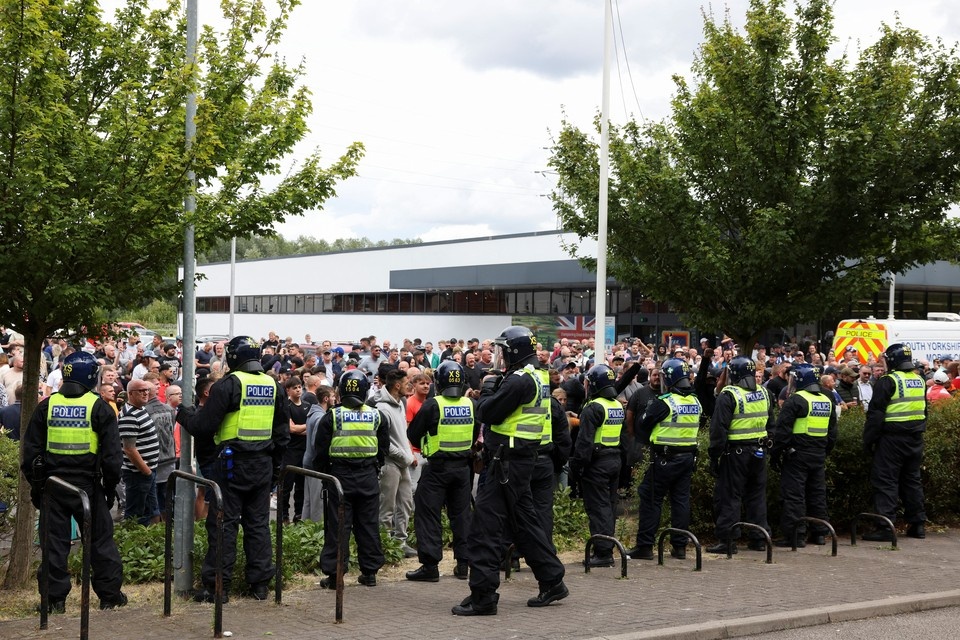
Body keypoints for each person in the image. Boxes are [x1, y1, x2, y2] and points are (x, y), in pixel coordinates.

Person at [452, 326, 567, 616]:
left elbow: (487, 413)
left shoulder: (517, 381)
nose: (500, 355)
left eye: (503, 350)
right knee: (524, 524)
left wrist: (485, 396)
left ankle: (483, 596)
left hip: (506, 462)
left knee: (485, 530)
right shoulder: (536, 375)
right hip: (519, 461)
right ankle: (552, 580)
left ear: (514, 351)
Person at [179, 336, 290, 602]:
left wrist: (183, 414)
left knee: (223, 525)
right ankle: (260, 586)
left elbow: (204, 427)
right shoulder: (274, 385)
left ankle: (218, 588)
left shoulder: (228, 385)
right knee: (258, 525)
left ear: (232, 357)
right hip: (263, 464)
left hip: (230, 465)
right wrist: (274, 470)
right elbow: (282, 434)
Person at [21, 352, 127, 612]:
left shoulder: (47, 405)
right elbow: (113, 457)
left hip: (54, 485)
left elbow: (30, 452)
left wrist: (36, 486)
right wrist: (111, 487)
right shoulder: (99, 407)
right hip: (88, 486)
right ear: (92, 377)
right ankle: (109, 597)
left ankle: (53, 600)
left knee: (53, 544)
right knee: (100, 542)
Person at [311, 370, 389, 588]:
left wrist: (326, 475)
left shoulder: (333, 416)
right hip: (368, 476)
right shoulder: (376, 415)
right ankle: (370, 572)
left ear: (341, 390)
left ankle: (336, 576)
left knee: (338, 527)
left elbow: (321, 451)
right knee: (368, 524)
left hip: (339, 476)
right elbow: (383, 448)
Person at [405, 360, 480, 582]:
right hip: (463, 469)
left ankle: (430, 566)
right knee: (462, 516)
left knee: (428, 514)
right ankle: (463, 564)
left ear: (439, 381)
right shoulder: (471, 404)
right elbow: (475, 434)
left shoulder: (432, 404)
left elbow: (413, 435)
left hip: (437, 468)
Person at [627, 358, 701, 561]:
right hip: (687, 458)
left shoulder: (665, 402)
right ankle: (679, 547)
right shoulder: (695, 401)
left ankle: (644, 546)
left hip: (664, 459)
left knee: (650, 498)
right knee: (681, 501)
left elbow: (642, 426)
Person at [706, 357, 775, 554]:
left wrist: (714, 456)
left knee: (729, 495)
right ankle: (759, 539)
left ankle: (728, 541)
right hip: (759, 452)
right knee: (756, 496)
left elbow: (718, 430)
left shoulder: (728, 395)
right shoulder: (764, 392)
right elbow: (772, 424)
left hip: (736, 454)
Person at [862, 344, 928, 541]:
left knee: (886, 481)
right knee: (912, 481)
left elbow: (875, 416)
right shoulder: (919, 380)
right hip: (915, 438)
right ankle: (918, 525)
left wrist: (868, 441)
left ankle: (885, 527)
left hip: (892, 439)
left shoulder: (888, 381)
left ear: (891, 361)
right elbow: (925, 412)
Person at [769, 364, 838, 547]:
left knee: (794, 496)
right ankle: (820, 534)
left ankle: (795, 536)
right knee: (817, 494)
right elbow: (832, 433)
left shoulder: (796, 400)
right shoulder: (827, 398)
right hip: (818, 454)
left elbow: (782, 432)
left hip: (797, 455)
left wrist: (775, 455)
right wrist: (824, 451)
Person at [569, 364, 624, 568]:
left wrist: (576, 467)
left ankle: (602, 552)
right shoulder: (617, 405)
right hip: (614, 459)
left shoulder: (593, 407)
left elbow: (584, 443)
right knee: (608, 506)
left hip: (596, 463)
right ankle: (606, 546)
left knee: (598, 507)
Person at [374, 368, 417, 557]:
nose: (410, 385)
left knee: (405, 503)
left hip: (403, 463)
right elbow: (384, 443)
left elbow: (401, 434)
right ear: (397, 385)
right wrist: (405, 456)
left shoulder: (401, 403)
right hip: (390, 464)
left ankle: (400, 542)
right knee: (387, 507)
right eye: (408, 382)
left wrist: (407, 454)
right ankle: (384, 545)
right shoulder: (381, 408)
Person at [119, 378, 161, 525]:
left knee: (152, 511)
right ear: (130, 394)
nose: (145, 393)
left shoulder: (140, 409)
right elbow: (129, 449)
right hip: (138, 474)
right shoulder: (129, 415)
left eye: (147, 390)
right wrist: (147, 472)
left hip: (147, 472)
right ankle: (132, 545)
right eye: (141, 391)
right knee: (136, 515)